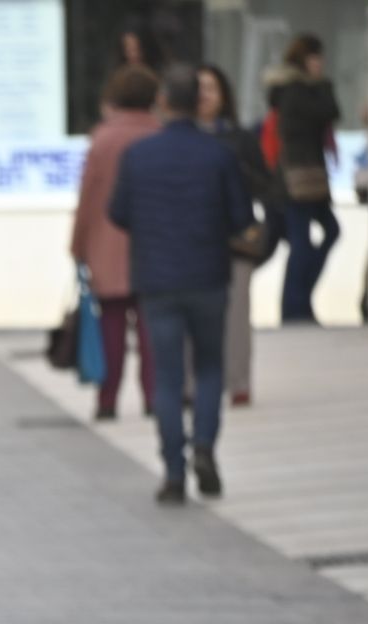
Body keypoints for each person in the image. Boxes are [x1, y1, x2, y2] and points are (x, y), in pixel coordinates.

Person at [109, 65, 253, 505]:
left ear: (165, 103)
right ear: (200, 103)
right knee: (209, 368)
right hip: (208, 276)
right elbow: (242, 219)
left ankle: (174, 473)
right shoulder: (219, 155)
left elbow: (118, 213)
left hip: (157, 280)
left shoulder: (139, 156)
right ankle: (205, 445)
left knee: (169, 378)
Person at [71, 64, 160, 420]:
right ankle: (154, 398)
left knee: (110, 327)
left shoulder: (103, 138)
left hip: (106, 247)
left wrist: (78, 245)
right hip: (154, 247)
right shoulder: (159, 135)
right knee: (152, 329)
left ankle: (107, 401)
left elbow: (88, 197)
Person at [197, 63, 273, 407]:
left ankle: (239, 382)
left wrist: (234, 170)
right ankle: (190, 385)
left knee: (237, 315)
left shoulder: (240, 138)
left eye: (211, 88)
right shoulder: (180, 137)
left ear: (224, 95)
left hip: (234, 241)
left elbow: (267, 186)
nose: (204, 95)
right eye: (198, 88)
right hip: (193, 242)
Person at [267, 34, 341, 324]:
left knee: (326, 234)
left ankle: (299, 303)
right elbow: (328, 112)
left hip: (312, 177)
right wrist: (323, 86)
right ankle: (295, 308)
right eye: (315, 57)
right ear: (303, 59)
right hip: (295, 178)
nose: (320, 64)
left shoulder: (303, 89)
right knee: (302, 243)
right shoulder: (294, 90)